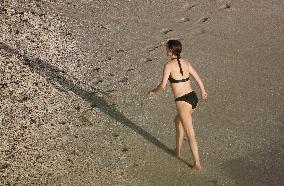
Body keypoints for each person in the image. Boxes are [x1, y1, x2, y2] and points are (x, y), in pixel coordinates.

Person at [146, 40, 208, 171]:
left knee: (190, 134)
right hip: (193, 98)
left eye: (166, 48)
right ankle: (177, 150)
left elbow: (162, 85)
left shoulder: (168, 65)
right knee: (177, 121)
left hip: (183, 102)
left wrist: (153, 91)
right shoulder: (185, 62)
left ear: (170, 51)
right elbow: (197, 77)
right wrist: (203, 91)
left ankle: (197, 163)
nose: (166, 50)